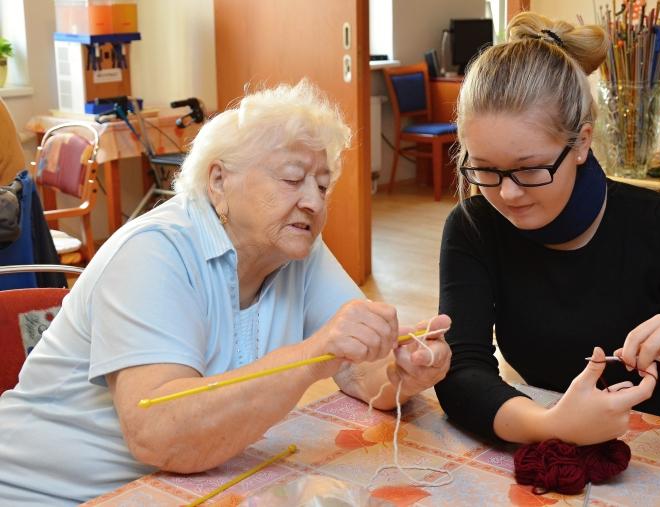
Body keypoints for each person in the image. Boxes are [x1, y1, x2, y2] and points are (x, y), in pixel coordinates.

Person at [0, 81, 451, 505]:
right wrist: (314, 352)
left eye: (322, 184)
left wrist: (399, 372)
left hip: (177, 488)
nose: (314, 201)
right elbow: (159, 434)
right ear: (218, 181)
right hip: (49, 493)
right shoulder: (154, 253)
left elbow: (359, 371)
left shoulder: (298, 248)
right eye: (293, 179)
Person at [435, 12, 660, 447]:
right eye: (485, 169)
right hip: (580, 449)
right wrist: (549, 426)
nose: (508, 193)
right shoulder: (474, 227)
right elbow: (461, 371)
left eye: (529, 169)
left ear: (582, 143)